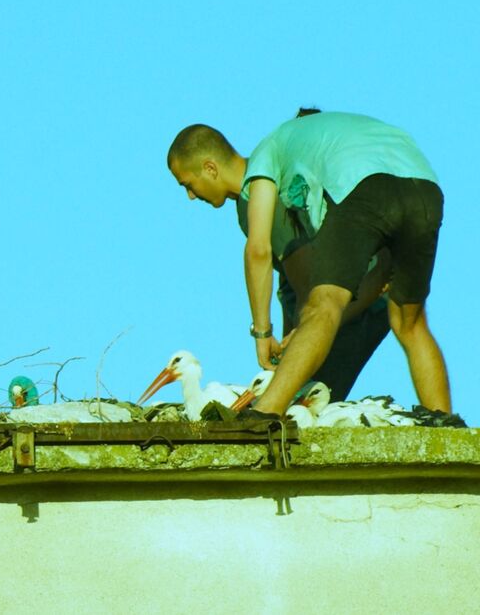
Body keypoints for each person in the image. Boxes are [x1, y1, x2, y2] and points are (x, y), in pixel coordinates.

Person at [166, 111, 450, 416]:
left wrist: (263, 335)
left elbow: (259, 250)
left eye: (188, 184)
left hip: (366, 185)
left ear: (210, 168)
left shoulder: (262, 163)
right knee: (410, 323)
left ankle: (265, 415)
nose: (191, 197)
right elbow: (374, 272)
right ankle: (447, 428)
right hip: (425, 188)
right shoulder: (304, 165)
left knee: (323, 304)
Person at [232, 108, 390, 401]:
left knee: (309, 405)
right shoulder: (305, 204)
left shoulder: (263, 199)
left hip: (351, 311)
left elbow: (305, 289)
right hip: (359, 306)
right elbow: (294, 291)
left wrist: (276, 338)